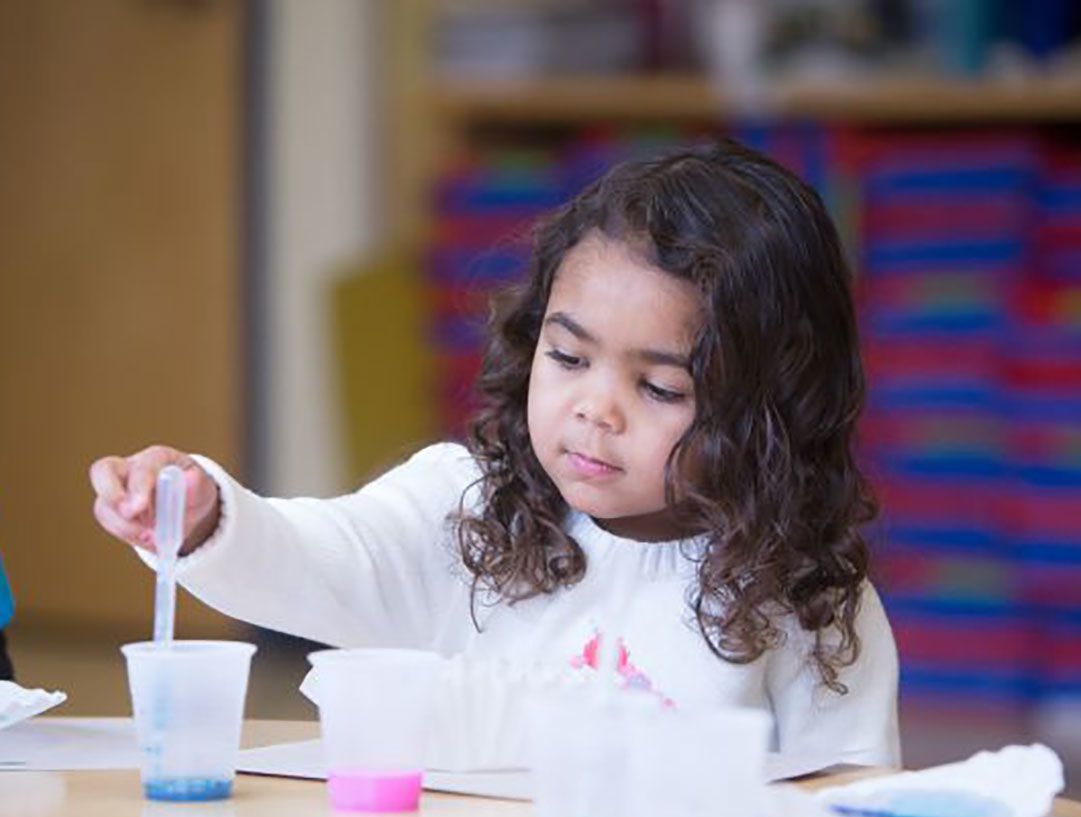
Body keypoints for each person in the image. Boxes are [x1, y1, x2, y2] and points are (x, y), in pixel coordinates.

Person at [89, 140, 900, 765]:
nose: (593, 408)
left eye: (658, 388)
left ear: (771, 411)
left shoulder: (807, 600)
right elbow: (315, 558)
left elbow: (853, 811)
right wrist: (202, 519)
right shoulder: (465, 508)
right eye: (568, 358)